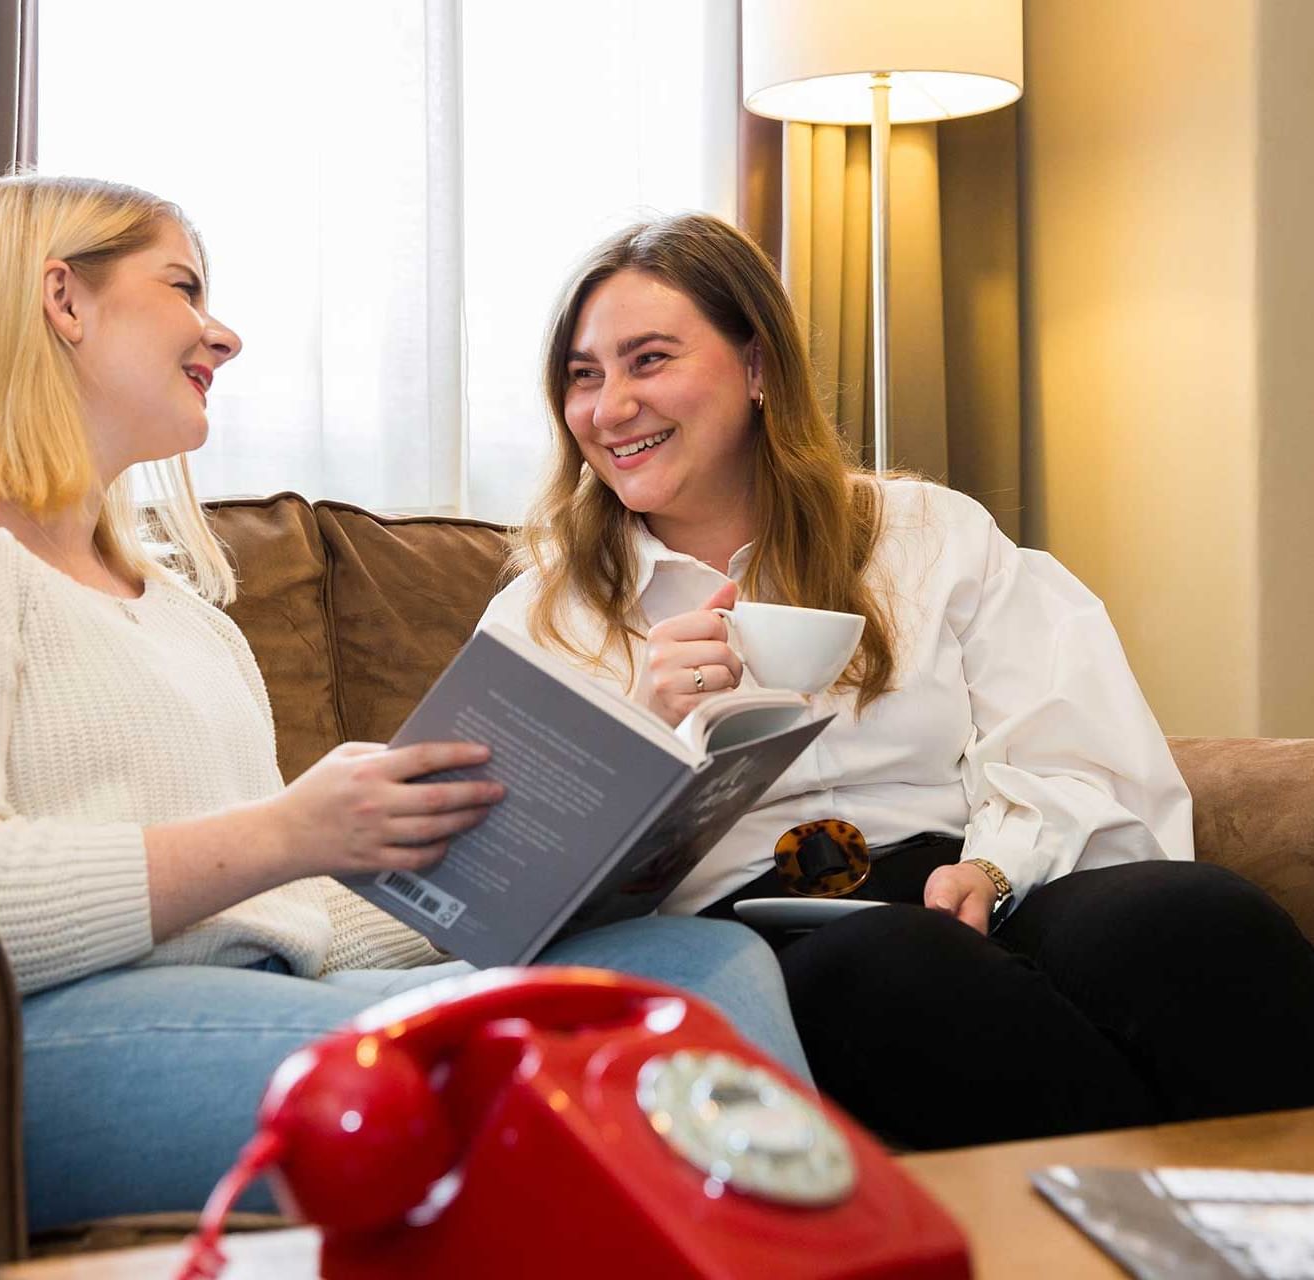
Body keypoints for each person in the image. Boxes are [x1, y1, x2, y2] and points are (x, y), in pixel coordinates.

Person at [0, 176, 809, 1231]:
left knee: (703, 970)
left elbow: (270, 919)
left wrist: (508, 866)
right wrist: (288, 830)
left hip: (245, 991)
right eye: (184, 287)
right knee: (486, 1072)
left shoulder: (182, 612)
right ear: (63, 299)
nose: (223, 333)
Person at [480, 210, 1314, 1149]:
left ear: (756, 368)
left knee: (1197, 922)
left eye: (648, 360)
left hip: (974, 875)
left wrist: (994, 870)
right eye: (582, 376)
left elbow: (1074, 743)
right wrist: (642, 728)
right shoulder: (548, 612)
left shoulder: (923, 534)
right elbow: (505, 893)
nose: (609, 407)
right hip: (753, 927)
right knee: (893, 969)